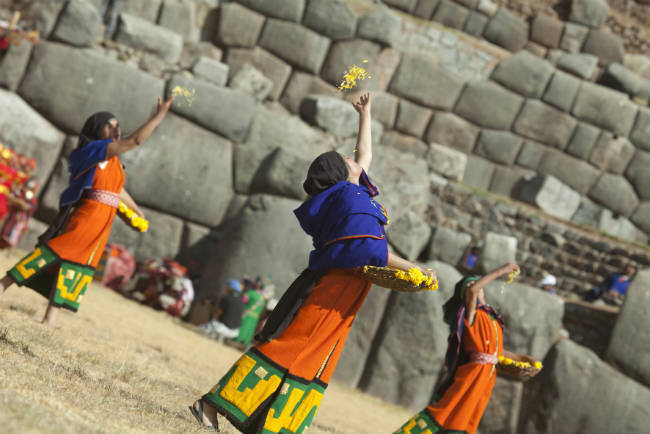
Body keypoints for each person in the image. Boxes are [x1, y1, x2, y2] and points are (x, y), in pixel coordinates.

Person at [189, 93, 438, 433]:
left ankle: (275, 427)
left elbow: (364, 153)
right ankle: (213, 403)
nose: (355, 160)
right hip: (335, 287)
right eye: (347, 161)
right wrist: (415, 268)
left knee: (316, 360)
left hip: (347, 290)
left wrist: (366, 115)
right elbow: (367, 250)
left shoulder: (350, 194)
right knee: (292, 348)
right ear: (343, 173)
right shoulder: (349, 199)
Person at [0, 94, 175, 326]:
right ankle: (2, 285)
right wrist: (159, 115)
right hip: (87, 216)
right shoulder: (95, 150)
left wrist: (136, 211)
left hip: (102, 223)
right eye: (109, 125)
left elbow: (118, 189)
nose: (116, 128)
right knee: (54, 253)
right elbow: (135, 141)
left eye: (117, 125)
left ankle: (49, 319)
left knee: (77, 266)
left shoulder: (114, 162)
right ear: (96, 131)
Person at [394, 263, 539, 434]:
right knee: (448, 412)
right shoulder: (472, 313)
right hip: (473, 374)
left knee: (468, 419)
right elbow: (472, 291)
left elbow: (496, 351)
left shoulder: (493, 319)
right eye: (469, 285)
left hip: (486, 376)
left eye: (476, 284)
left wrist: (524, 359)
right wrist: (500, 271)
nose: (474, 287)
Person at [236, 277, 267, 347]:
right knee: (250, 329)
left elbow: (242, 301)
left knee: (243, 327)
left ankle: (237, 341)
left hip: (246, 314)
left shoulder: (250, 293)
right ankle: (245, 344)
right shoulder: (263, 298)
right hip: (255, 317)